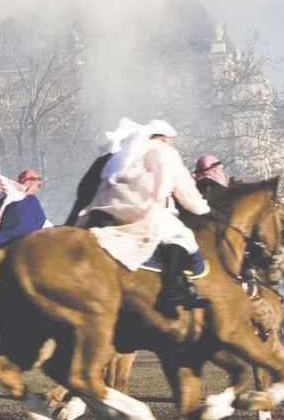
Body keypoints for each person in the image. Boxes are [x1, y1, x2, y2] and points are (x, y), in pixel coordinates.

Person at [80, 119, 211, 314]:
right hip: (141, 207)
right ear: (164, 137)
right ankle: (173, 287)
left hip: (113, 207)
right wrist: (204, 209)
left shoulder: (129, 154)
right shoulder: (163, 151)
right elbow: (183, 187)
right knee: (182, 236)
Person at [0, 168, 51, 250]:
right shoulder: (30, 201)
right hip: (9, 245)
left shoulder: (6, 201)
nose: (37, 187)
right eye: (36, 183)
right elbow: (36, 225)